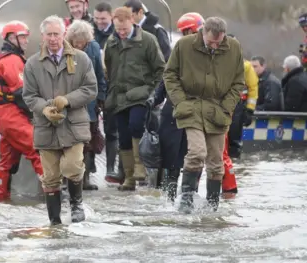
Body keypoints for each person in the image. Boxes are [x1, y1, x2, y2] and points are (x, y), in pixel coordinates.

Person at [163, 17, 244, 212]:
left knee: (216, 163)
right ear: (202, 32)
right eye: (211, 42)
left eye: (219, 42)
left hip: (218, 109)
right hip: (190, 106)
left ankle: (212, 205)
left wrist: (226, 106)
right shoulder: (184, 45)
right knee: (197, 152)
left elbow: (238, 83)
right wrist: (181, 101)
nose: (215, 46)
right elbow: (170, 75)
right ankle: (186, 201)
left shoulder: (233, 48)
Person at [22, 15, 97, 225]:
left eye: (57, 34)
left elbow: (91, 89)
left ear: (64, 34)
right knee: (51, 176)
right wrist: (44, 109)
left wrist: (68, 100)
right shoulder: (32, 64)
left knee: (73, 166)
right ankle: (54, 221)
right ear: (43, 36)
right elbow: (28, 96)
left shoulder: (81, 59)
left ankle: (76, 205)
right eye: (49, 34)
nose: (53, 39)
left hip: (73, 124)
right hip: (46, 127)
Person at [104, 7, 165, 191]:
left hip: (141, 93)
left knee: (136, 125)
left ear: (133, 21)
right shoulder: (112, 41)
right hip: (119, 95)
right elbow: (108, 67)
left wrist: (153, 91)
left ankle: (140, 166)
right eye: (118, 29)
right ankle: (129, 177)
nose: (121, 33)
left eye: (125, 29)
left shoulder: (147, 40)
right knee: (123, 137)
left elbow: (160, 68)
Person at [0, 21, 44, 202]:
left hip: (6, 114)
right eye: (23, 37)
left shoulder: (7, 58)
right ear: (12, 38)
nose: (27, 41)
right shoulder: (11, 60)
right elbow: (22, 93)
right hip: (11, 114)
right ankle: (54, 193)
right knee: (38, 147)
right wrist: (39, 112)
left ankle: (1, 199)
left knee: (7, 162)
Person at [153, 12, 203, 201]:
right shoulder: (178, 51)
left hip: (198, 111)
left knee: (195, 154)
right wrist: (156, 98)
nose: (189, 34)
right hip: (173, 110)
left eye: (192, 30)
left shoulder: (211, 52)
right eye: (186, 32)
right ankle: (169, 196)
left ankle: (189, 195)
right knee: (170, 155)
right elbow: (167, 77)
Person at [66, 20, 107, 191]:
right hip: (70, 101)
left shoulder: (94, 48)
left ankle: (86, 177)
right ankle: (69, 177)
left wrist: (102, 97)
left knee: (88, 139)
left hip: (90, 102)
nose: (80, 44)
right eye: (77, 41)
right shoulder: (63, 49)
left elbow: (99, 74)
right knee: (70, 139)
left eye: (83, 42)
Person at [92, 2, 124, 184]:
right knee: (100, 129)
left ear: (110, 17)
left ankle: (115, 168)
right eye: (96, 19)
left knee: (117, 130)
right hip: (97, 86)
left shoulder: (118, 33)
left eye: (103, 19)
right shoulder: (91, 33)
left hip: (115, 87)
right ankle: (100, 167)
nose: (99, 22)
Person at [224, 34, 258, 160]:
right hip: (219, 105)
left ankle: (234, 168)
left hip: (237, 107)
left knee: (234, 140)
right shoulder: (215, 62)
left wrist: (249, 110)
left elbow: (253, 88)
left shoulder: (246, 66)